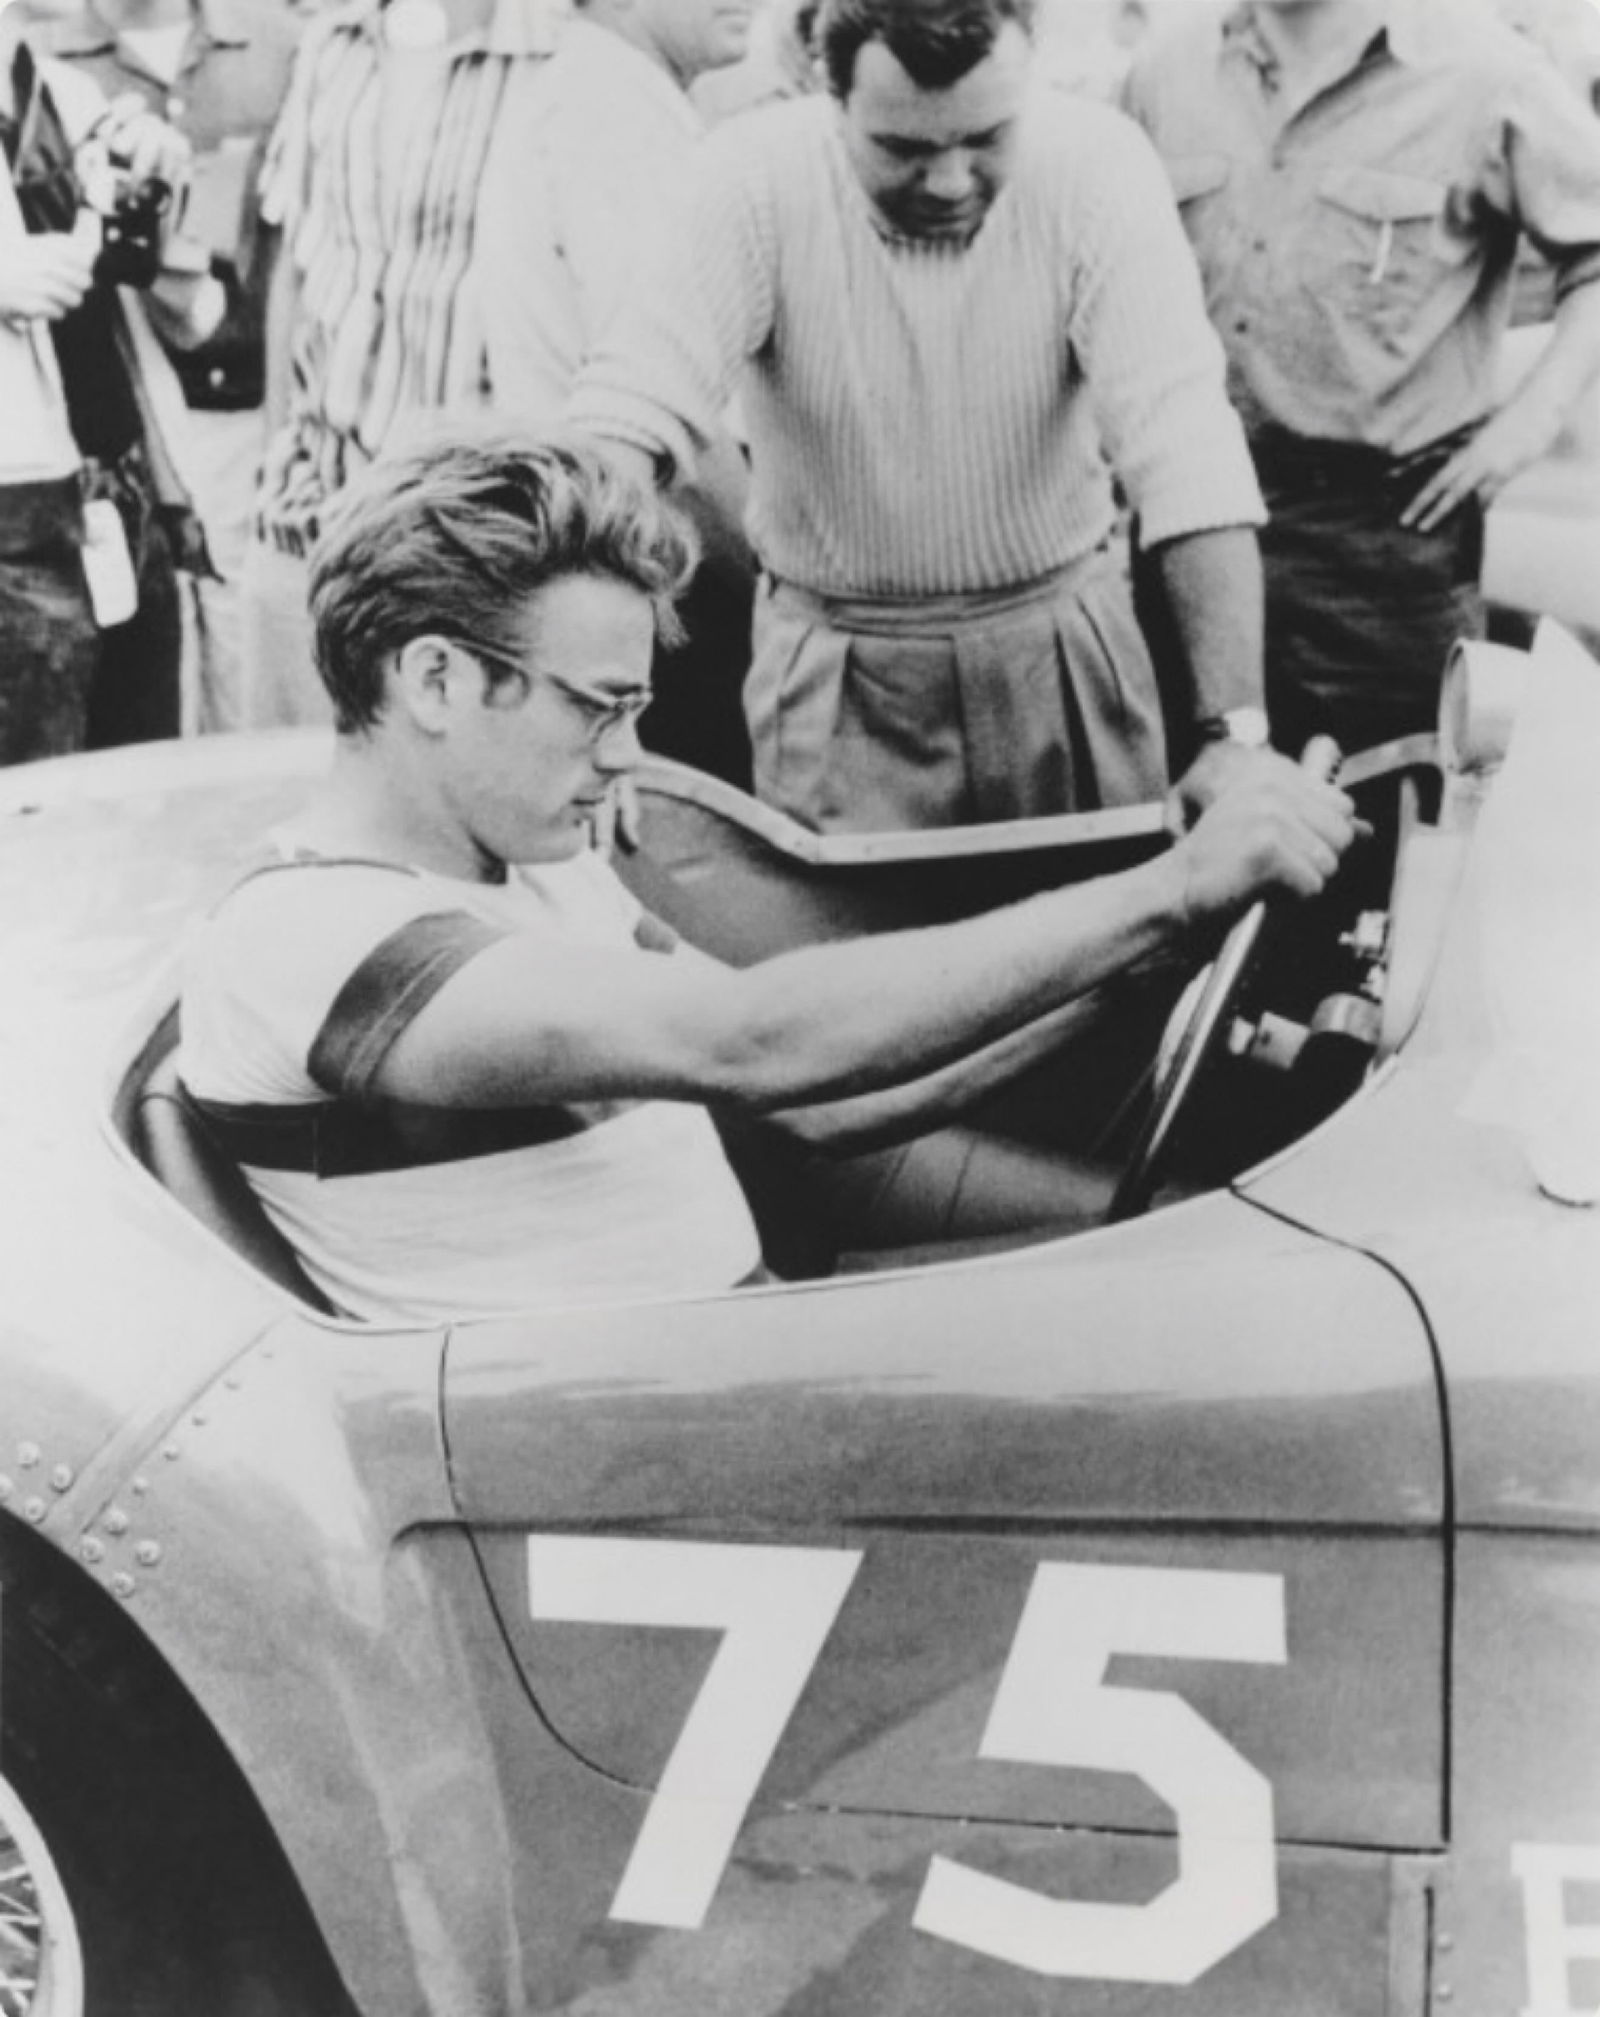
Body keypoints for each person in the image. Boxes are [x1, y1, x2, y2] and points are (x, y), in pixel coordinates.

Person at [178, 432, 1359, 1325]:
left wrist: (1156, 951)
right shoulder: (313, 938)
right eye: (600, 708)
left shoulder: (534, 880)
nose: (628, 758)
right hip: (591, 1483)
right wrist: (1173, 886)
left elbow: (816, 1103)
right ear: (432, 680)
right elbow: (754, 1042)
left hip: (734, 1374)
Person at [567, 0, 1281, 837]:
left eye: (986, 138)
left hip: (1062, 655)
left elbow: (1186, 449)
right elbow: (624, 422)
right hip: (837, 682)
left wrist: (1235, 733)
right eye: (903, 147)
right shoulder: (748, 178)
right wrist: (588, 718)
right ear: (828, 95)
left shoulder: (1098, 164)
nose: (949, 180)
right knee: (854, 959)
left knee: (1112, 944)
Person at [1123, 0, 1600, 762]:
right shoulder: (1166, 71)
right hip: (1190, 530)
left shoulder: (1486, 73)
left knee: (1383, 831)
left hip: (1381, 548)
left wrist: (1528, 423)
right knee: (1188, 826)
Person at [240, 0, 566, 727]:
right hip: (310, 524)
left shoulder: (557, 52)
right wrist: (274, 459)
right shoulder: (333, 43)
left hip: (466, 542)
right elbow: (295, 268)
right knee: (290, 806)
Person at [476, 0, 759, 779]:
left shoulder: (611, 95)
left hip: (625, 582)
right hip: (658, 595)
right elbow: (674, 418)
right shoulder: (611, 116)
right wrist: (787, 602)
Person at [35, 0, 299, 733]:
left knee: (254, 676)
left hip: (255, 422)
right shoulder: (46, 61)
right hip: (111, 458)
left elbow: (261, 272)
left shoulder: (281, 44)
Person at [1, 5, 206, 762]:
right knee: (25, 831)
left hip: (122, 503)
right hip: (14, 523)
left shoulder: (70, 97)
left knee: (142, 801)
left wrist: (158, 189)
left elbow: (192, 319)